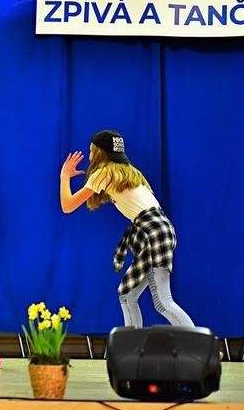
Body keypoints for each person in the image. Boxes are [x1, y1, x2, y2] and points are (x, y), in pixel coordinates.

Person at [59, 129, 194, 328]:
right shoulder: (130, 172)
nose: (89, 155)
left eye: (91, 150)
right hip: (159, 229)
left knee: (163, 301)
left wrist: (64, 175)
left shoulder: (104, 172)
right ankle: (134, 344)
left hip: (151, 231)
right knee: (128, 294)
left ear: (99, 152)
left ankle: (198, 343)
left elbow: (67, 206)